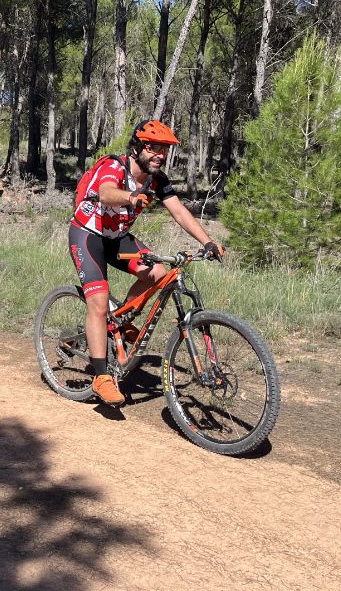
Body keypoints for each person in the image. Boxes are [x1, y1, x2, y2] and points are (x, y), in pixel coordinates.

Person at [69, 119, 225, 406]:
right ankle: (102, 376)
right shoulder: (114, 166)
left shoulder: (157, 180)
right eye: (153, 148)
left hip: (117, 237)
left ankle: (119, 320)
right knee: (98, 303)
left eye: (163, 150)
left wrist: (208, 242)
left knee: (158, 273)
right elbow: (106, 192)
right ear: (137, 147)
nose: (159, 155)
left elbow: (179, 212)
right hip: (87, 235)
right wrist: (131, 197)